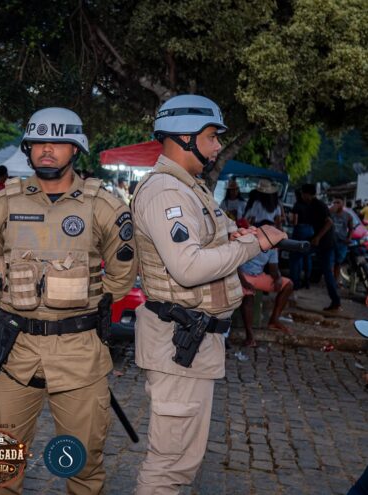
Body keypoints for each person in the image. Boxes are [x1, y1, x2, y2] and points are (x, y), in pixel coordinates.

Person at [0, 107, 138, 494]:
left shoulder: (104, 207)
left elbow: (121, 276)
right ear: (28, 149)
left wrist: (74, 300)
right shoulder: (1, 205)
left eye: (57, 142)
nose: (46, 150)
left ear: (75, 149)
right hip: (14, 352)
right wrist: (23, 298)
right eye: (38, 143)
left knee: (84, 466)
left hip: (79, 354)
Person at [132, 94, 286, 494]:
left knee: (180, 462)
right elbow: (188, 267)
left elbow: (205, 248)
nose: (218, 146)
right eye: (212, 136)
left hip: (193, 340)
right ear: (184, 137)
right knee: (168, 467)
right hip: (179, 342)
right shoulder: (167, 192)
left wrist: (234, 242)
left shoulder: (188, 188)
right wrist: (255, 244)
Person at [237, 226, 294, 347]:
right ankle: (250, 336)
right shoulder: (248, 240)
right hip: (242, 276)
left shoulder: (273, 246)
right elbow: (234, 265)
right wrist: (244, 282)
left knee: (288, 284)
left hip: (259, 276)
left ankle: (274, 320)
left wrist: (278, 278)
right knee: (248, 297)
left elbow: (273, 269)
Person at [300, 184, 340, 311]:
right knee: (300, 253)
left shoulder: (318, 205)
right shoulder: (311, 205)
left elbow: (329, 222)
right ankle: (304, 281)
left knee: (327, 272)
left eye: (302, 193)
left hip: (326, 243)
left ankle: (336, 301)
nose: (301, 196)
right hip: (321, 241)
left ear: (307, 194)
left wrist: (317, 237)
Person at [288, 189, 315, 290]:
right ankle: (307, 280)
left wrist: (291, 221)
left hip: (300, 230)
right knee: (307, 257)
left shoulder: (297, 205)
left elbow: (295, 221)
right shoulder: (311, 205)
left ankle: (295, 282)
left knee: (295, 258)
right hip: (311, 230)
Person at [330, 197, 354, 287]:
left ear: (342, 204)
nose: (336, 204)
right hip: (331, 242)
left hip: (342, 243)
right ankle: (330, 280)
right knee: (330, 262)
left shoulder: (348, 215)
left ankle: (335, 281)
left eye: (338, 202)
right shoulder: (330, 213)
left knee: (338, 262)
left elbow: (351, 229)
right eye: (334, 202)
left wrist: (349, 238)